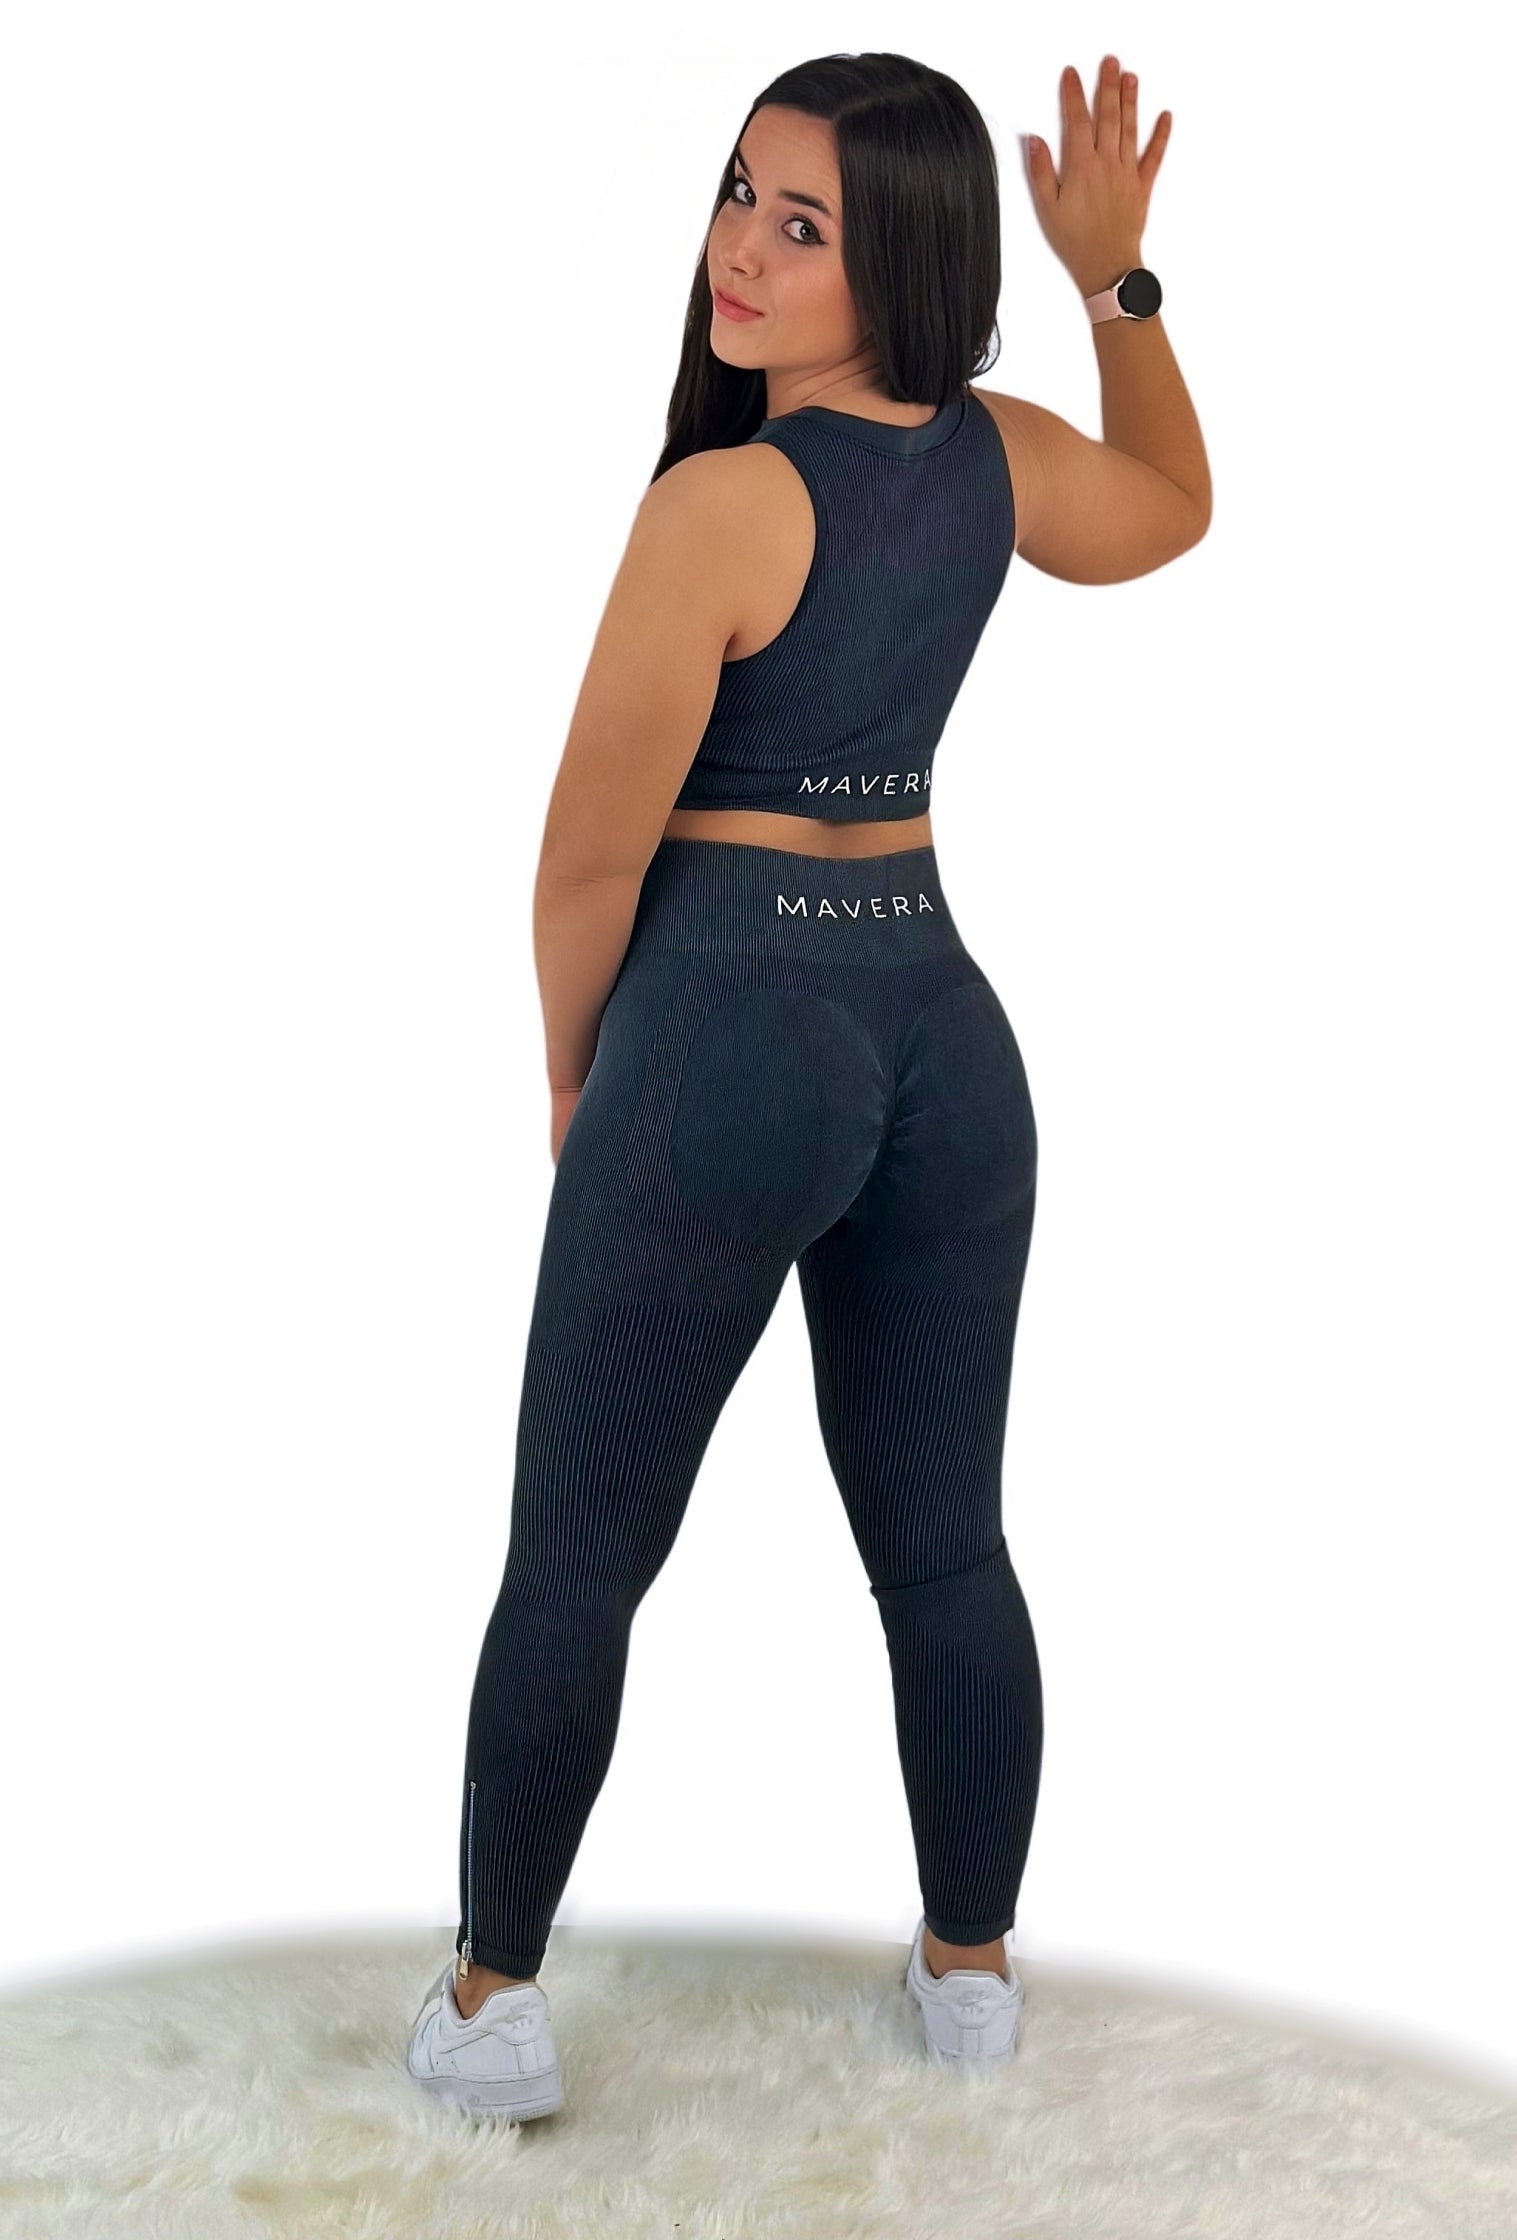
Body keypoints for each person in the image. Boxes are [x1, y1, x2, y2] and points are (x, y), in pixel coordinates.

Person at [405, 47, 1209, 2115]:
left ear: (904, 260)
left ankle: (488, 2007)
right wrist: (1118, 288)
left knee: (580, 1548)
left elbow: (585, 863)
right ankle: (970, 1974)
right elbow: (1171, 507)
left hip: (727, 1027)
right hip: (942, 1028)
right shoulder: (995, 461)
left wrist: (577, 1071)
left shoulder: (726, 505)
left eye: (803, 226)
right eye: (737, 196)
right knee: (943, 1543)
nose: (739, 254)